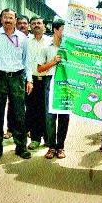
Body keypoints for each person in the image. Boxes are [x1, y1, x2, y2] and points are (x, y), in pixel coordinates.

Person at [0, 8, 33, 161]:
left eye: (11, 18)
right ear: (1, 19)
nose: (8, 20)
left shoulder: (22, 37)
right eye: (5, 17)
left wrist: (29, 80)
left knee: (19, 114)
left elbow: (27, 61)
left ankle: (21, 147)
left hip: (17, 78)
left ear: (16, 20)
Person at [37, 19, 70, 159]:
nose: (66, 33)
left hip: (65, 84)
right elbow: (39, 69)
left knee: (64, 116)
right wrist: (53, 62)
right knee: (50, 117)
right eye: (63, 29)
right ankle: (51, 147)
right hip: (50, 82)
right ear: (56, 30)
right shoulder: (46, 48)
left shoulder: (69, 49)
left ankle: (60, 147)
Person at [26, 16, 51, 150]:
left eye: (39, 23)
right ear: (30, 26)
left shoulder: (50, 41)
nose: (36, 25)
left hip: (47, 81)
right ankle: (35, 139)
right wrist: (28, 80)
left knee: (48, 111)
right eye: (34, 23)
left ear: (44, 26)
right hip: (32, 81)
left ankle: (48, 138)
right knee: (33, 110)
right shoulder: (27, 42)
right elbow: (26, 63)